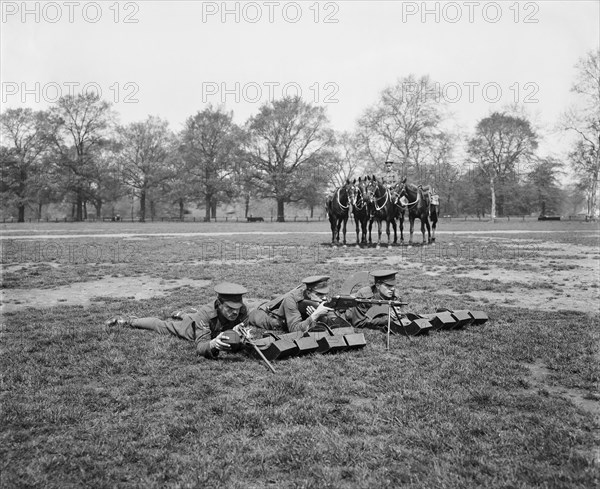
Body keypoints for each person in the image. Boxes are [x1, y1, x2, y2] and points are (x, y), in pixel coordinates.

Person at [104, 283, 250, 359]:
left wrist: (242, 335)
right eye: (230, 308)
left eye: (237, 308)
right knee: (162, 325)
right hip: (191, 329)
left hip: (212, 328)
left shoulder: (242, 310)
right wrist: (212, 344)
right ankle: (129, 320)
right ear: (219, 304)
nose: (235, 312)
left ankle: (182, 313)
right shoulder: (205, 314)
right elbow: (200, 347)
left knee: (190, 316)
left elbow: (242, 325)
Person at [248, 275, 334, 333]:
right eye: (319, 294)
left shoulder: (319, 300)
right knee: (247, 309)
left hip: (283, 307)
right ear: (308, 293)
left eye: (325, 294)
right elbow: (294, 330)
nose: (324, 298)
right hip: (267, 316)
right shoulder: (292, 299)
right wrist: (315, 315)